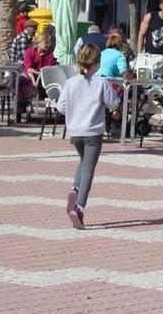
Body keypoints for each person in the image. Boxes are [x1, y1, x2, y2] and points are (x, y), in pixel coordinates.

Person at [57, 43, 121, 230]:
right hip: (93, 131)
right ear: (96, 63)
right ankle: (79, 206)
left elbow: (60, 107)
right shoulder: (101, 82)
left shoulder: (70, 83)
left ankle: (74, 190)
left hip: (75, 131)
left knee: (84, 161)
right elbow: (112, 104)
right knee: (89, 170)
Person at [18, 34, 58, 118]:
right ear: (38, 43)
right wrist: (35, 77)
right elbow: (28, 68)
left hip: (44, 78)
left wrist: (36, 73)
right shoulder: (30, 52)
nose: (48, 45)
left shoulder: (49, 54)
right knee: (22, 80)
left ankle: (58, 109)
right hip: (30, 77)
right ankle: (22, 107)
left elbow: (48, 68)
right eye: (45, 43)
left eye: (49, 43)